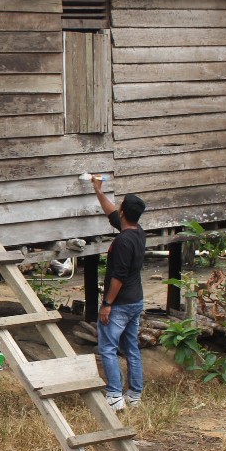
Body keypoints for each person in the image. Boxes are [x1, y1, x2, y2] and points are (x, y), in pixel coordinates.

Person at [91, 176, 147, 412]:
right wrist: (98, 191)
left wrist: (107, 303)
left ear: (124, 212)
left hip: (120, 304)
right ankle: (134, 395)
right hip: (135, 301)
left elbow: (118, 277)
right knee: (131, 348)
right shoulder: (138, 231)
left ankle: (114, 395)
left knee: (108, 348)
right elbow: (111, 213)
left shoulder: (123, 241)